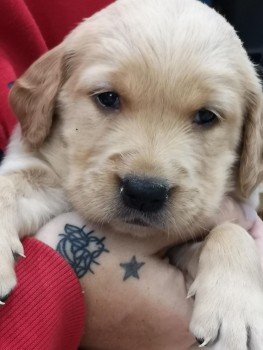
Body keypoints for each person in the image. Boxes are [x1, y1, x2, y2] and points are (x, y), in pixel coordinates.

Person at [1, 1, 263, 349]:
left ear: (249, 132)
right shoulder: (47, 146)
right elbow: (25, 188)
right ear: (51, 92)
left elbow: (242, 219)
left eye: (205, 117)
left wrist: (233, 254)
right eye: (108, 98)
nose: (146, 177)